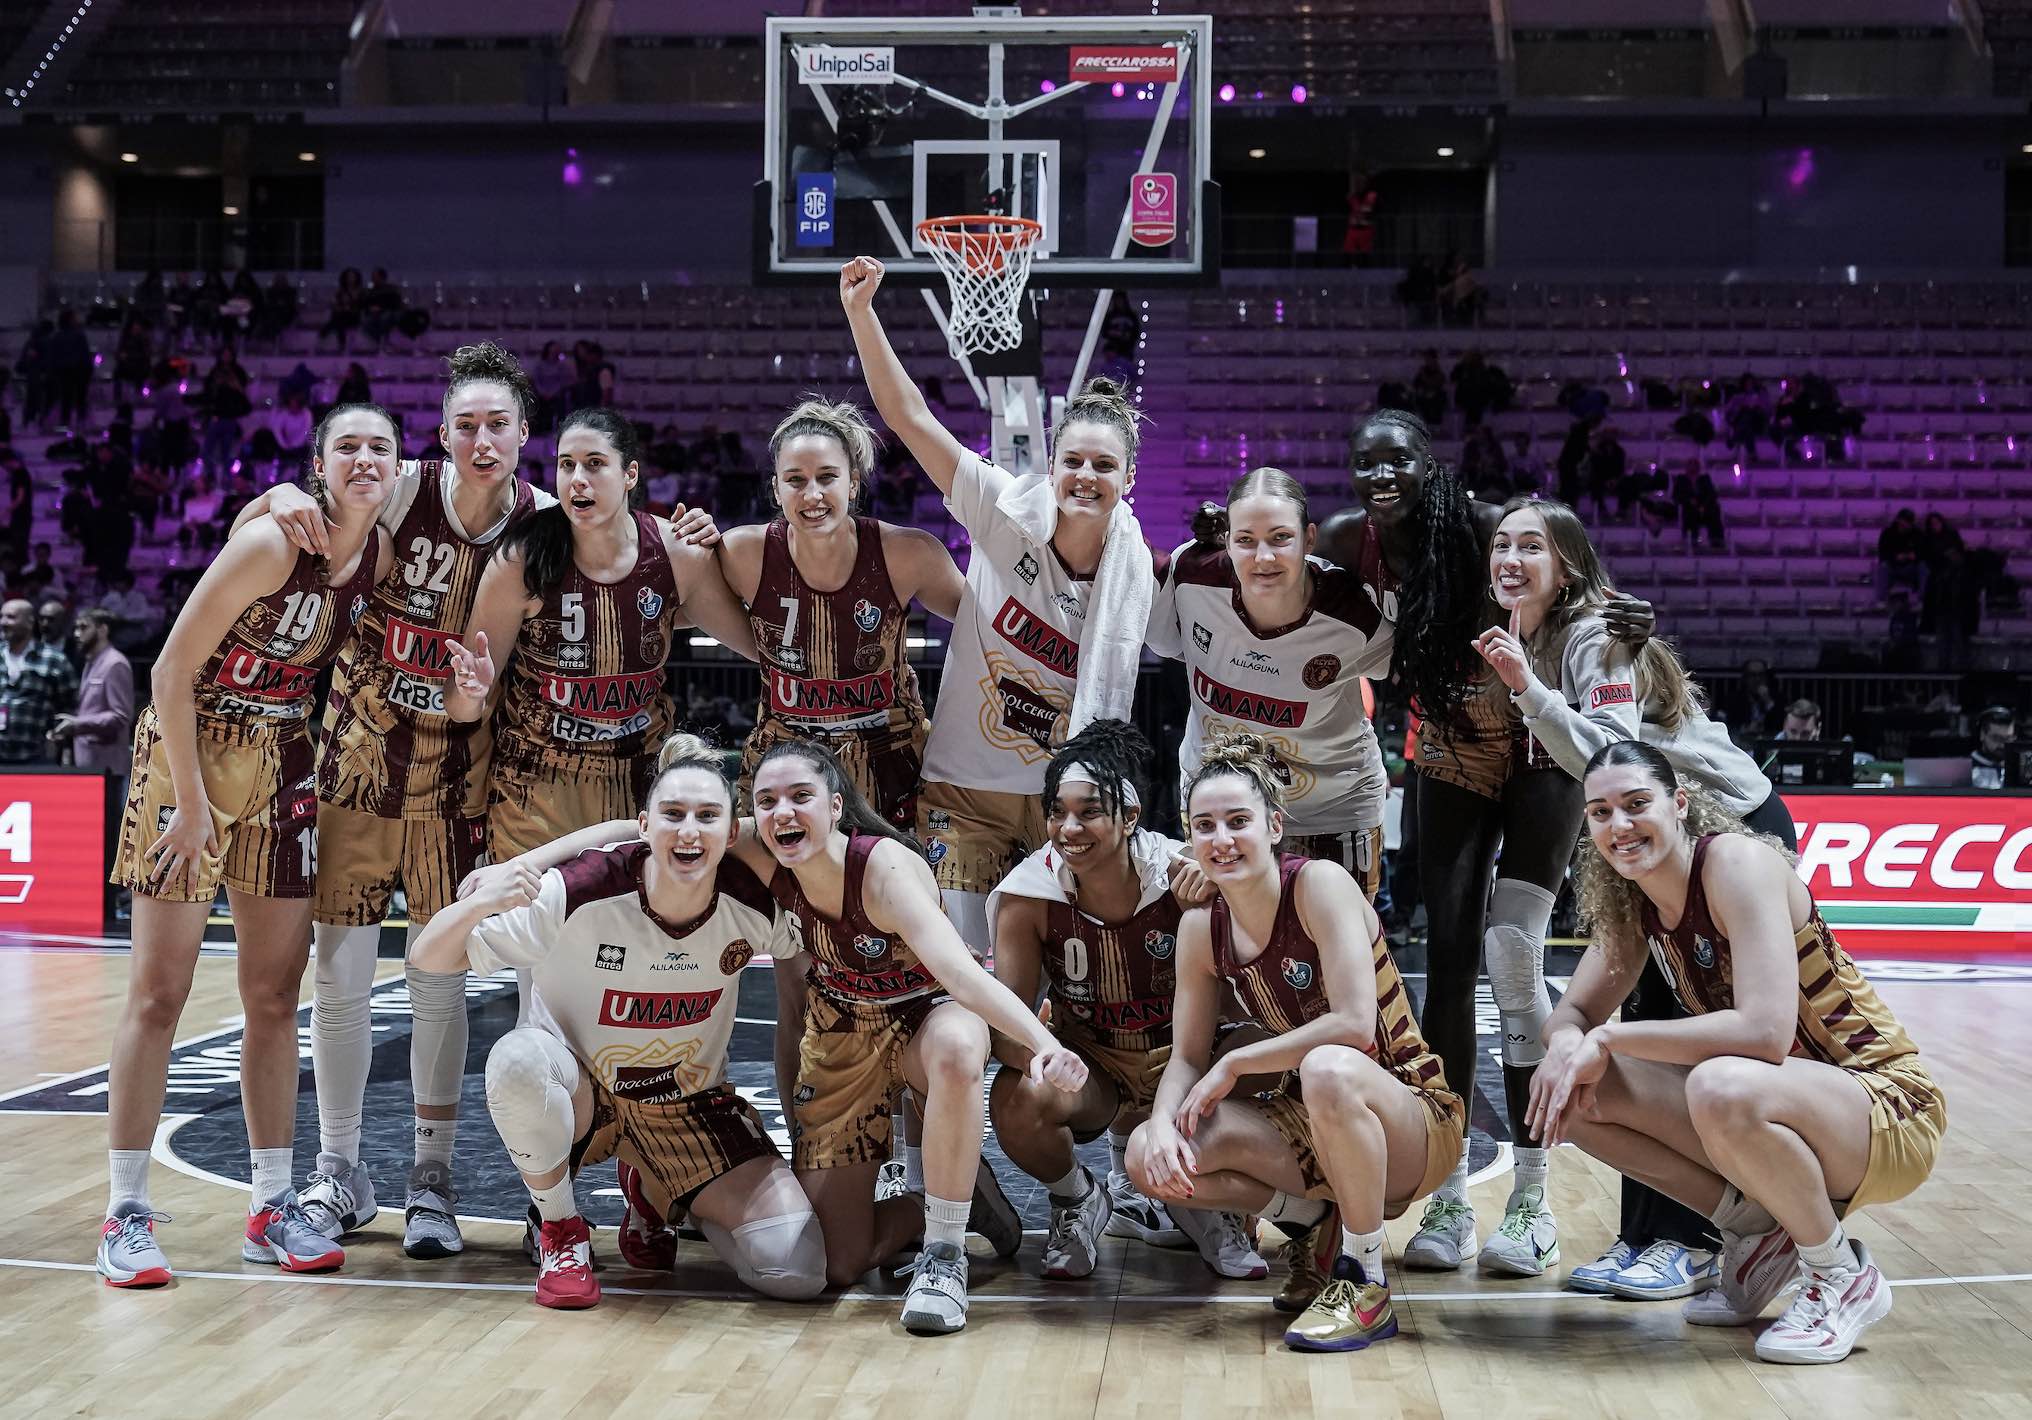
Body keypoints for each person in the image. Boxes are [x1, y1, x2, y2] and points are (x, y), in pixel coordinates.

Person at [232, 342, 561, 1260]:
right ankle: (342, 1168)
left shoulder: (543, 520)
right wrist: (273, 496)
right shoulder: (397, 484)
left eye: (499, 425)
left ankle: (432, 1174)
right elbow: (287, 511)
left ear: (525, 434)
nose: (483, 440)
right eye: (466, 425)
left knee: (438, 982)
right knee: (338, 979)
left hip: (463, 780)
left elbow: (629, 547)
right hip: (353, 766)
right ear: (441, 434)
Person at [1316, 408, 1651, 1279]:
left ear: (1431, 465)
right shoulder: (1351, 537)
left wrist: (1617, 615)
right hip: (1451, 742)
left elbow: (1561, 575)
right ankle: (1452, 1196)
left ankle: (1534, 1200)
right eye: (1365, 462)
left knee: (1512, 949)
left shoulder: (1482, 526)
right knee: (1451, 960)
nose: (1381, 477)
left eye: (1399, 461)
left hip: (1541, 740)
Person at [1469, 497, 1803, 1300]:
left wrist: (1527, 693)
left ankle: (1695, 1241)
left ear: (1569, 566)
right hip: (1655, 839)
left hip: (1727, 829)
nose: (1510, 557)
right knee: (1650, 1030)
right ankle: (1648, 1236)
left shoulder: (1591, 637)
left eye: (1531, 547)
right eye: (1502, 544)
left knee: (1680, 1034)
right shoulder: (1539, 634)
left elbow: (1613, 757)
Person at [95, 403, 396, 1288]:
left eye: (380, 446)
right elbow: (170, 671)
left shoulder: (372, 555)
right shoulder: (277, 540)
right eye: (348, 446)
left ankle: (270, 1202)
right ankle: (125, 1213)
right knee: (161, 992)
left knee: (273, 994)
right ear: (320, 463)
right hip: (190, 752)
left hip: (281, 755)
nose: (365, 459)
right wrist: (190, 806)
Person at [1535, 740, 1946, 1364]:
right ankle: (1757, 1235)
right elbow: (1571, 1014)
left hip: (1887, 1106)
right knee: (1573, 1094)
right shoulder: (1634, 902)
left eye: (1636, 804)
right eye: (1600, 812)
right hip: (1781, 1110)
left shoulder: (1736, 864)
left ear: (1679, 805)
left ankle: (1841, 1275)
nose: (1619, 825)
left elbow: (1766, 1032)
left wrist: (1609, 1037)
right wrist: (1569, 1047)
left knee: (1720, 1083)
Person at [408, 733, 826, 1309]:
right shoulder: (578, 891)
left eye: (707, 816)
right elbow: (428, 956)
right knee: (517, 1061)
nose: (688, 831)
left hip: (686, 1107)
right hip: (583, 1096)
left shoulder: (753, 904)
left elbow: (833, 938)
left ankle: (659, 1192)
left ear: (733, 833)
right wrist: (479, 903)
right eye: (672, 815)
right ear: (643, 825)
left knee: (795, 1269)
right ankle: (561, 1230)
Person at [838, 255, 1154, 951]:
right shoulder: (998, 510)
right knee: (962, 976)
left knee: (1062, 985)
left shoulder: (1138, 576)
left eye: (1104, 465)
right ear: (1051, 466)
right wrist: (862, 314)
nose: (1086, 475)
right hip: (964, 792)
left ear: (1129, 478)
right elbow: (908, 416)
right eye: (1073, 460)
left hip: (1067, 800)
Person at [1127, 734, 1464, 1351]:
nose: (1221, 840)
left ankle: (1364, 1281)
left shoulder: (1320, 884)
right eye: (1204, 826)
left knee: (1329, 1067)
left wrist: (1237, 1062)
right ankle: (1311, 1218)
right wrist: (1163, 1124)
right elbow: (1184, 1057)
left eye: (1238, 821)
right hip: (1317, 1120)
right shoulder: (1201, 929)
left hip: (1412, 1116)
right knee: (1147, 1153)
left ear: (1275, 825)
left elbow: (1356, 1025)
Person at [754, 738, 1090, 1333]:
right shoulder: (761, 853)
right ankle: (951, 1201)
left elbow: (962, 975)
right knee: (837, 1262)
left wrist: (1044, 1043)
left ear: (836, 806)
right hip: (840, 1036)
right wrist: (532, 862)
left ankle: (944, 1253)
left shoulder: (882, 868)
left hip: (924, 1017)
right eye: (767, 801)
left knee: (960, 1046)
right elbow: (644, 829)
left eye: (800, 797)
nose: (783, 812)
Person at [985, 720, 1263, 1281]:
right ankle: (1078, 1199)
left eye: (1089, 811)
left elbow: (1260, 987)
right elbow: (1006, 1024)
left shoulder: (1187, 873)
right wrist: (1042, 1056)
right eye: (1057, 812)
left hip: (1189, 1062)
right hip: (1098, 1071)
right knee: (1018, 1097)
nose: (1069, 828)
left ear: (1131, 816)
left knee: (1281, 1050)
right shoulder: (1027, 895)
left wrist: (1219, 906)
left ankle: (1204, 1202)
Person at [445, 405, 757, 863]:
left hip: (641, 778)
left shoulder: (677, 553)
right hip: (537, 782)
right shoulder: (522, 560)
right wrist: (472, 690)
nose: (577, 479)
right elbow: (458, 702)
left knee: (633, 931)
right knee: (541, 928)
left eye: (594, 464)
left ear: (629, 474)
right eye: (566, 464)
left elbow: (763, 646)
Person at [713, 397, 962, 828]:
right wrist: (683, 545)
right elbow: (665, 608)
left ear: (853, 483)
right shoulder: (743, 553)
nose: (812, 494)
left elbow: (987, 626)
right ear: (776, 488)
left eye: (827, 477)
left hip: (895, 764)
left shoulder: (908, 554)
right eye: (795, 480)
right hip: (784, 764)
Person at [1155, 469, 1394, 898]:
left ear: (1309, 538)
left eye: (1280, 538)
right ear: (1225, 539)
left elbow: (1409, 669)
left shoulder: (1352, 614)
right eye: (1245, 540)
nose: (1263, 557)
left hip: (1334, 806)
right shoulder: (1190, 577)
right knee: (1222, 946)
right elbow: (1162, 639)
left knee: (1337, 950)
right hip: (1222, 806)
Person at [50, 607, 133, 780]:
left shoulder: (115, 663)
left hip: (108, 767)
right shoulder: (91, 662)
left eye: (83, 627)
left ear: (103, 630)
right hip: (89, 763)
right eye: (75, 628)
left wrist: (77, 724)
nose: (76, 634)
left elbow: (121, 716)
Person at [0, 597, 74, 765]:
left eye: (11, 617)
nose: (4, 622)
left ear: (29, 622)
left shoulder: (54, 659)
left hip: (35, 757)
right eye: (2, 616)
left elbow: (70, 705)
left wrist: (57, 734)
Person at [1971, 706, 2017, 789]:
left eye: (2008, 738)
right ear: (1982, 734)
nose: (2003, 745)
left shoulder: (2019, 766)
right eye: (1996, 738)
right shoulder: (1965, 767)